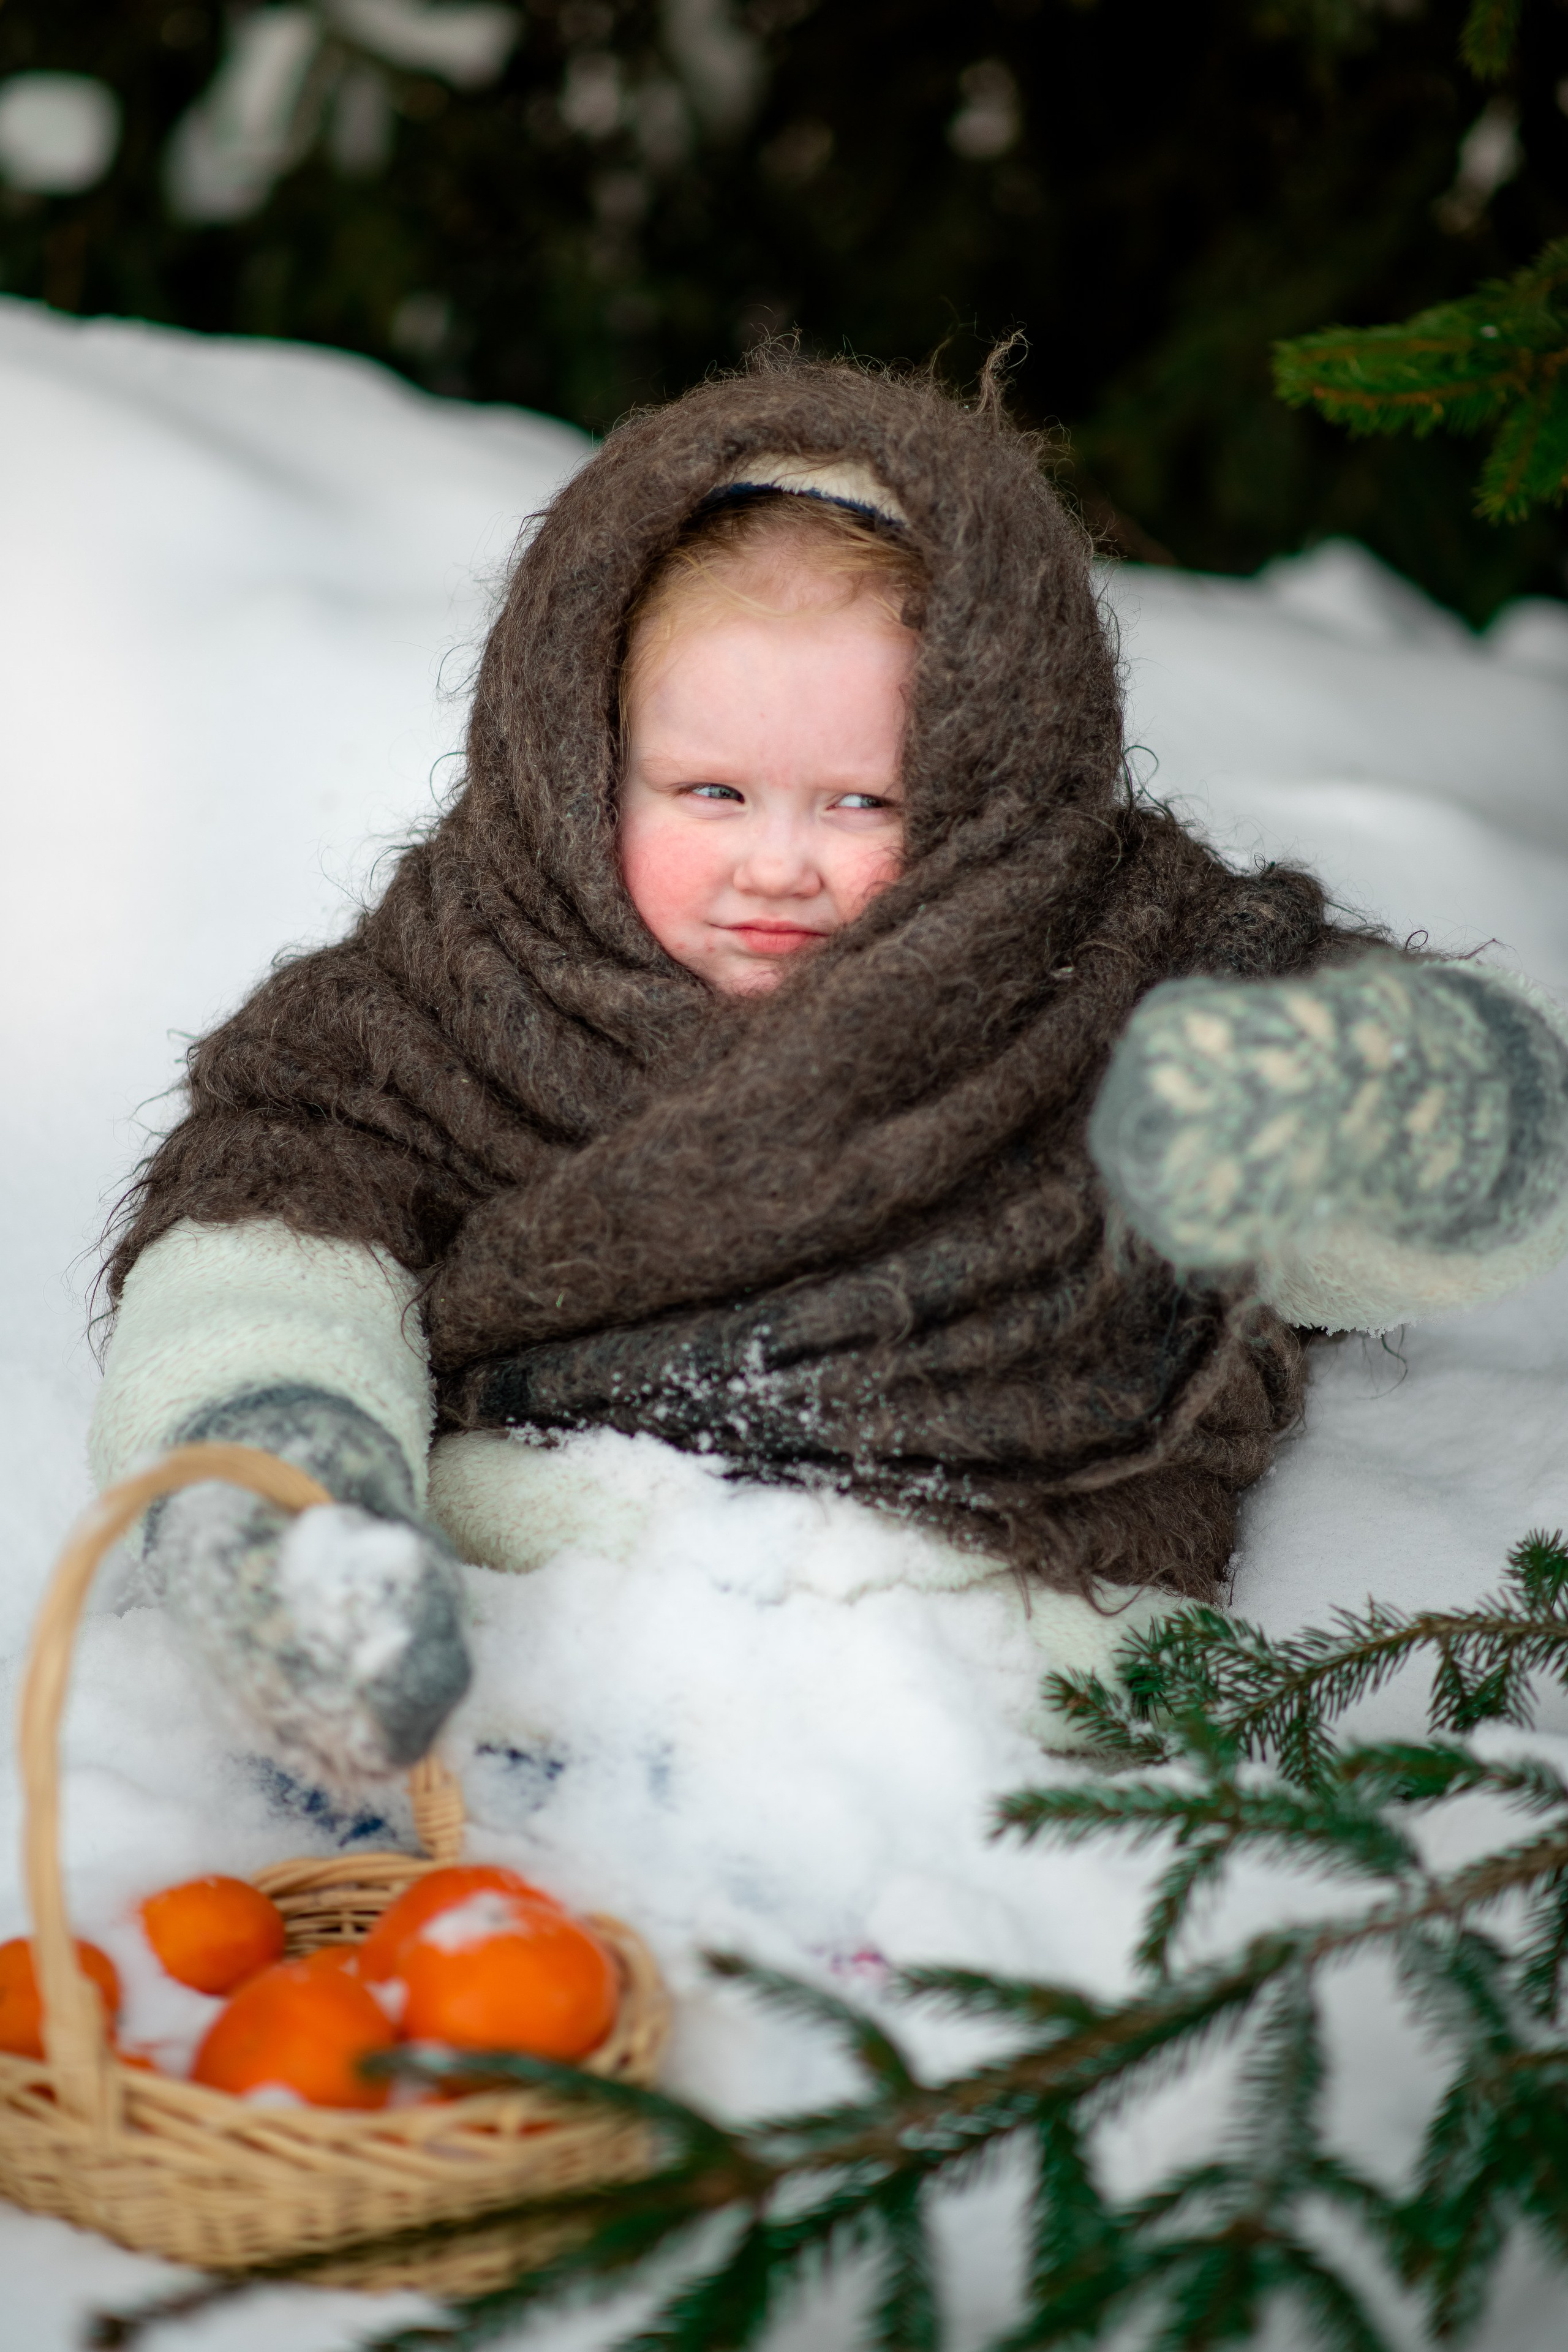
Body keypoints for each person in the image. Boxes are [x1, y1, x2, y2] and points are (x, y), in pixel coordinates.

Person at [90, 356, 1568, 1784]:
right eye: (709, 793)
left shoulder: (1115, 973)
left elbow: (1412, 1178)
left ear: (998, 779)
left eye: (864, 801)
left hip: (1001, 1651)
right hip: (546, 1624)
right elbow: (272, 1253)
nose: (777, 865)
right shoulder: (446, 998)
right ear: (577, 759)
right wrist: (281, 1494)